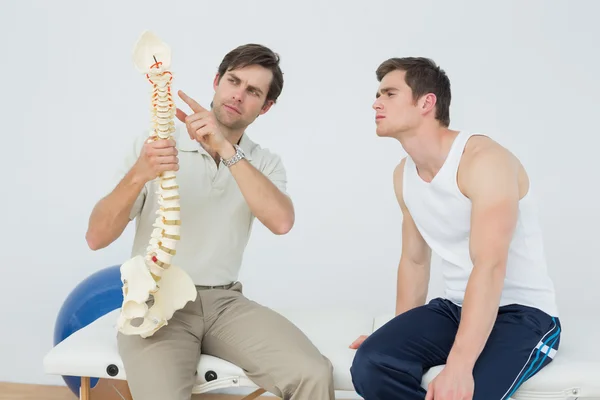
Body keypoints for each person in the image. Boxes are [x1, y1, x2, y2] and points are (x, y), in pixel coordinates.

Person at [85, 43, 334, 400]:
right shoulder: (155, 145)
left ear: (265, 107)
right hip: (157, 303)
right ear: (216, 81)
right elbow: (96, 237)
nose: (238, 95)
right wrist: (140, 173)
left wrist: (226, 150)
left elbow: (281, 222)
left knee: (311, 373)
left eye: (253, 92)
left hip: (224, 304)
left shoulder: (263, 163)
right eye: (233, 81)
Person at [349, 57, 561, 400]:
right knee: (373, 361)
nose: (376, 103)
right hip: (455, 308)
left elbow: (489, 265)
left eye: (389, 93)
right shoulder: (403, 175)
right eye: (377, 94)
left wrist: (460, 366)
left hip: (523, 315)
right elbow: (415, 262)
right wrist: (398, 333)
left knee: (465, 393)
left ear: (426, 102)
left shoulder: (484, 160)